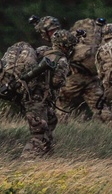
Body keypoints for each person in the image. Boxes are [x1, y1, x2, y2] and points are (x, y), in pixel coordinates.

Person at [21, 29, 74, 157]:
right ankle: (27, 161)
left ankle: (47, 157)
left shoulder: (42, 50)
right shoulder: (61, 60)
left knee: (51, 121)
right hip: (38, 100)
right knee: (38, 133)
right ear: (64, 45)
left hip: (31, 96)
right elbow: (57, 82)